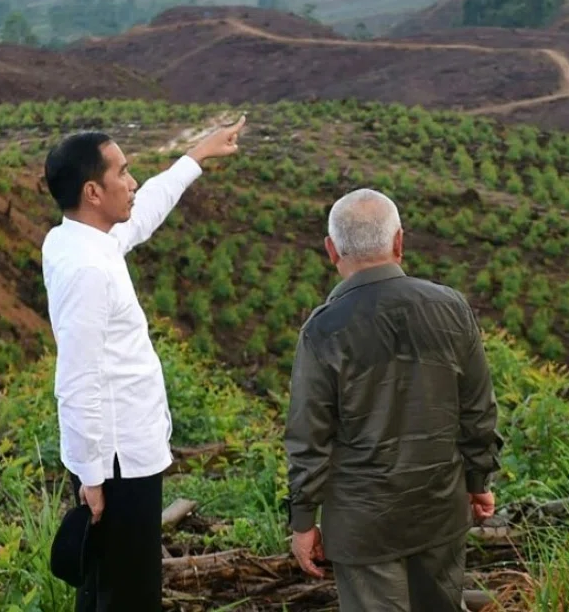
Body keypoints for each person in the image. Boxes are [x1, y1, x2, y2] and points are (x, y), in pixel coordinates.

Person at [40, 115, 245, 611]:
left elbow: (145, 211)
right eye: (123, 173)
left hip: (118, 452)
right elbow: (77, 379)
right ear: (93, 191)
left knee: (106, 583)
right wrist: (90, 476)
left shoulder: (76, 238)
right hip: (115, 460)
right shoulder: (88, 269)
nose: (132, 183)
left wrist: (195, 156)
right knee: (128, 592)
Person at [284, 188, 504, 611]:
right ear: (399, 242)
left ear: (332, 250)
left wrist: (303, 521)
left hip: (362, 524)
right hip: (439, 508)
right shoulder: (452, 308)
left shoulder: (323, 330)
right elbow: (478, 410)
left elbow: (308, 437)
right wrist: (478, 482)